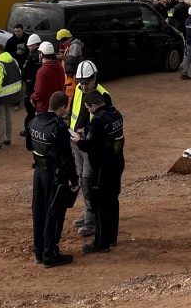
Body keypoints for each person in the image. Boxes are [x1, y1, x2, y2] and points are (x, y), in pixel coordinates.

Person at [29, 91, 78, 268]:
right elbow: (67, 158)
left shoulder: (34, 122)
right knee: (53, 213)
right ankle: (49, 255)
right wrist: (74, 179)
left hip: (38, 173)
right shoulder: (59, 128)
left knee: (38, 210)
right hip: (54, 176)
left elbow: (29, 145)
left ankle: (39, 250)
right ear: (63, 108)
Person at [74, 89, 125, 254]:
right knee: (113, 202)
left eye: (88, 108)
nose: (88, 111)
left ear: (94, 106)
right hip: (116, 163)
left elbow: (89, 146)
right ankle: (111, 239)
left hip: (102, 168)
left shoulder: (98, 121)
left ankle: (101, 242)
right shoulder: (116, 114)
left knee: (100, 205)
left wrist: (79, 140)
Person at [68, 60, 112, 238]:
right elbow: (74, 113)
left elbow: (104, 125)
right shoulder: (79, 90)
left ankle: (92, 219)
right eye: (81, 82)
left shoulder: (103, 96)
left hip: (91, 147)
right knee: (81, 178)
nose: (83, 86)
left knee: (89, 181)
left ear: (95, 78)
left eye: (87, 82)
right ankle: (88, 212)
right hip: (76, 143)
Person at [0, 43, 24, 152]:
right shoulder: (12, 60)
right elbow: (18, 73)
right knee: (7, 116)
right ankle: (8, 139)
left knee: (1, 119)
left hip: (1, 96)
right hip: (11, 95)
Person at [31, 42, 66, 114]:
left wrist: (32, 98)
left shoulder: (42, 71)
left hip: (44, 108)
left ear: (42, 54)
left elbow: (39, 92)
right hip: (57, 108)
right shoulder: (60, 67)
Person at [21, 34, 44, 141]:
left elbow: (24, 72)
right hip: (42, 87)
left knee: (30, 111)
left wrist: (24, 79)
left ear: (35, 45)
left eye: (30, 46)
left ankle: (28, 131)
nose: (29, 48)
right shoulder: (43, 56)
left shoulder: (31, 57)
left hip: (31, 87)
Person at [57, 29, 84, 96]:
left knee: (71, 95)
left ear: (67, 39)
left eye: (63, 41)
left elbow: (71, 60)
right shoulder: (71, 45)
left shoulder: (75, 45)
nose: (63, 43)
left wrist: (61, 57)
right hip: (70, 76)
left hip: (73, 76)